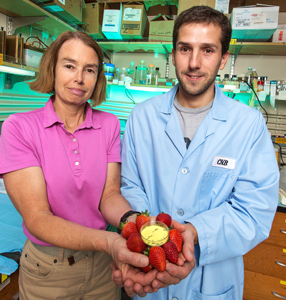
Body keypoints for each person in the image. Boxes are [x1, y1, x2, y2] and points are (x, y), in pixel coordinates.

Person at [113, 5, 280, 299]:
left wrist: (195, 231)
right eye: (185, 48)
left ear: (223, 58)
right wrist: (150, 231)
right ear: (173, 53)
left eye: (207, 50)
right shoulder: (142, 116)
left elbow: (255, 210)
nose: (194, 62)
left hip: (214, 281)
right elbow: (129, 186)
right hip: (150, 277)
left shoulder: (248, 124)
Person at [0, 31, 154, 300]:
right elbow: (37, 218)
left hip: (104, 266)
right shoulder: (20, 127)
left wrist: (134, 223)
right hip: (49, 269)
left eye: (89, 69)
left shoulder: (109, 124)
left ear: (97, 78)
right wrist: (109, 241)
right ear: (52, 68)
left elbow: (109, 195)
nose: (79, 78)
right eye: (69, 66)